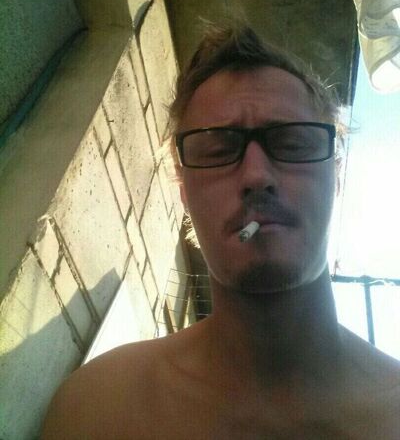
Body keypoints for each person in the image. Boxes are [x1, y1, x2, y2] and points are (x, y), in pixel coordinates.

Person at [42, 24, 400, 439]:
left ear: (335, 174)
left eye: (292, 143)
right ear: (183, 192)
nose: (256, 175)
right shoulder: (97, 408)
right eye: (217, 150)